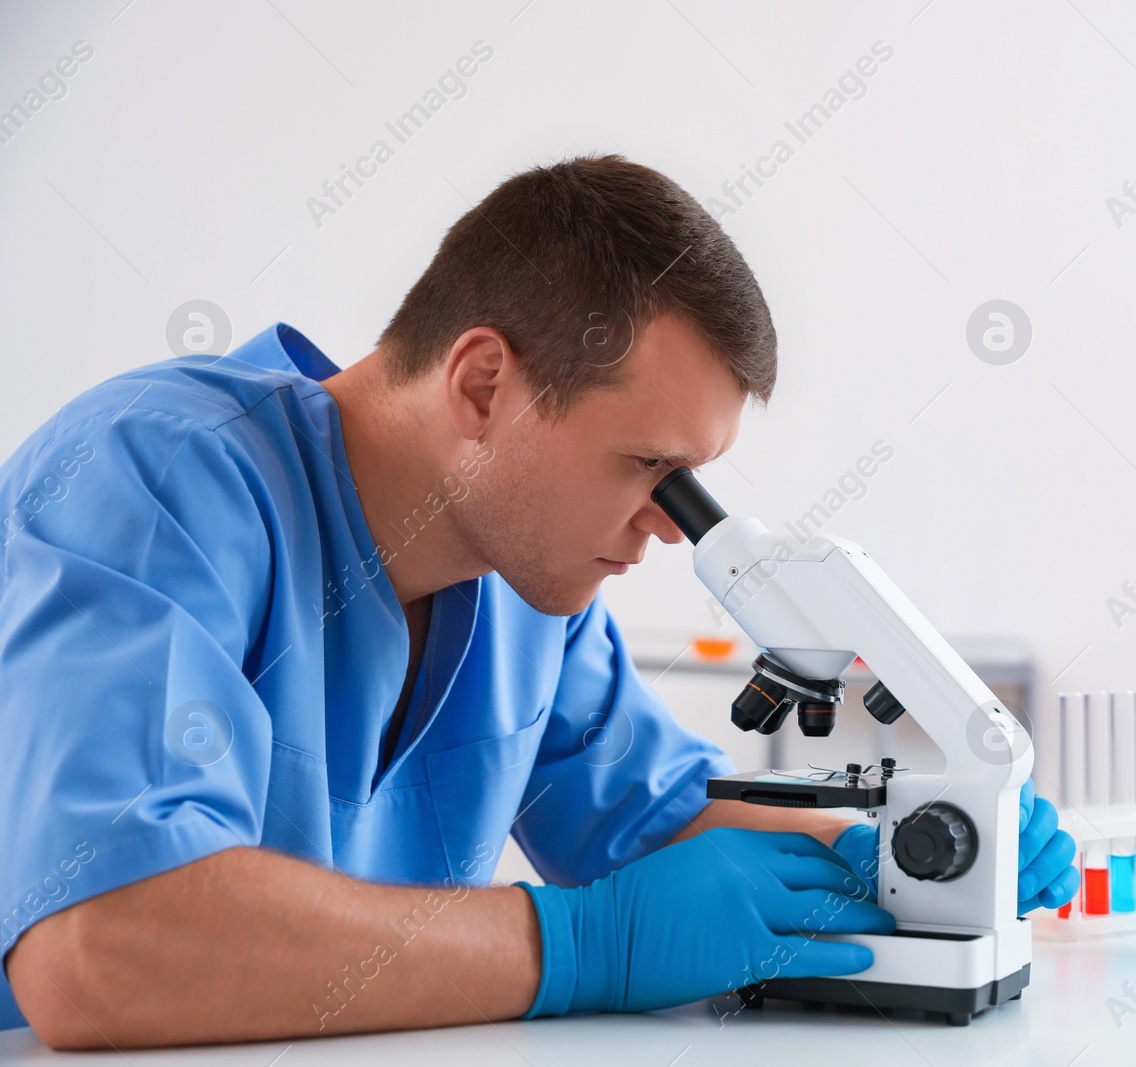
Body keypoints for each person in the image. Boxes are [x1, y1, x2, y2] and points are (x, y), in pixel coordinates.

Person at [0, 154, 1078, 1049]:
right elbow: (101, 946)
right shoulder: (154, 481)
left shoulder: (523, 594)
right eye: (647, 466)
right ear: (482, 384)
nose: (668, 523)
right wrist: (577, 945)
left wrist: (913, 852)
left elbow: (658, 830)